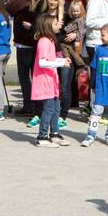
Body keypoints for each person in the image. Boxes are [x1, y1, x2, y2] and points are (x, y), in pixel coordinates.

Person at [31, 13, 71, 147]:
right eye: (55, 23)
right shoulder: (43, 41)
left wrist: (62, 60)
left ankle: (54, 134)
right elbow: (42, 62)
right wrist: (61, 63)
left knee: (56, 108)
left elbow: (51, 60)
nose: (58, 25)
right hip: (44, 81)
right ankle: (42, 136)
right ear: (48, 26)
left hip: (51, 80)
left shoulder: (50, 41)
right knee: (48, 109)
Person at [6, 0, 38, 116]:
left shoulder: (20, 0)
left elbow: (7, 9)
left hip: (23, 44)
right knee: (36, 76)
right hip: (37, 43)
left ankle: (28, 106)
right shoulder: (40, 0)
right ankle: (37, 105)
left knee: (24, 76)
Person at [58, 0, 87, 127]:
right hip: (66, 46)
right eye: (74, 11)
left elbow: (82, 31)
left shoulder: (81, 21)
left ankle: (63, 113)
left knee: (65, 85)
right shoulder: (70, 19)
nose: (75, 13)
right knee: (65, 85)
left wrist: (76, 36)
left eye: (77, 11)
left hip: (73, 47)